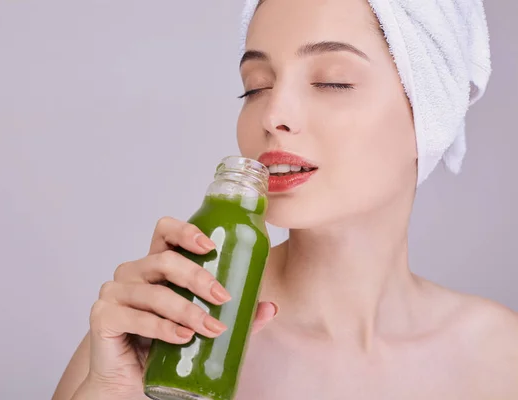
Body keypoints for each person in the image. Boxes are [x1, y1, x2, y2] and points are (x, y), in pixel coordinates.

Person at [53, 0, 518, 399]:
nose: (273, 115)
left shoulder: (498, 354)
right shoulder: (159, 337)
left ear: (431, 111)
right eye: (255, 86)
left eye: (332, 81)